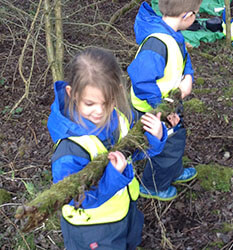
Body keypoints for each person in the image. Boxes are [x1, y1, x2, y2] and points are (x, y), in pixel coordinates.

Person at [47, 47, 168, 249]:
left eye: (108, 102)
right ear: (72, 93)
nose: (99, 111)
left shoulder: (117, 119)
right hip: (92, 228)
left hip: (124, 211)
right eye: (90, 103)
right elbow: (75, 199)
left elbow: (133, 152)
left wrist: (155, 138)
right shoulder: (70, 148)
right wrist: (113, 175)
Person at [127, 0, 202, 201]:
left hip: (169, 104)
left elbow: (184, 59)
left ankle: (174, 171)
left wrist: (188, 77)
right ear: (187, 15)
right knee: (165, 149)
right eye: (196, 13)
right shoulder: (157, 43)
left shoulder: (173, 34)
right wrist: (165, 110)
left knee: (176, 139)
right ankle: (153, 186)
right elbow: (141, 79)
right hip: (153, 110)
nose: (197, 17)